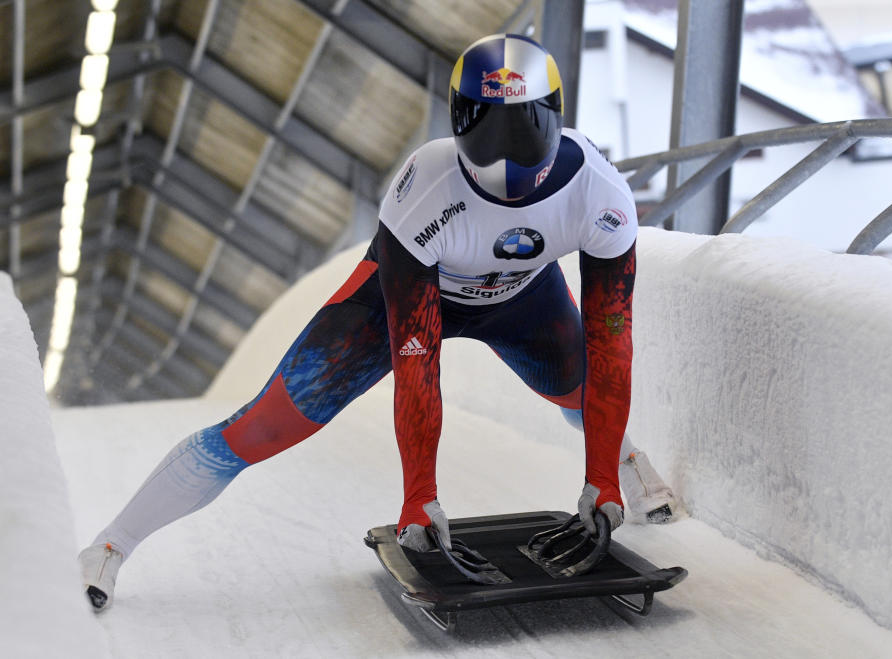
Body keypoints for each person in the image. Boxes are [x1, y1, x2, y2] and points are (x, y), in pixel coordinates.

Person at [79, 33, 676, 610]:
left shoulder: (601, 193)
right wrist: (419, 496)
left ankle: (622, 463)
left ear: (555, 118)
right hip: (403, 299)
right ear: (459, 122)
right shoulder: (426, 189)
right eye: (487, 131)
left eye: (523, 131)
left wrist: (599, 476)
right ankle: (110, 544)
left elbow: (612, 341)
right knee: (262, 427)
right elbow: (418, 356)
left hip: (522, 298)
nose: (504, 154)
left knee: (578, 383)